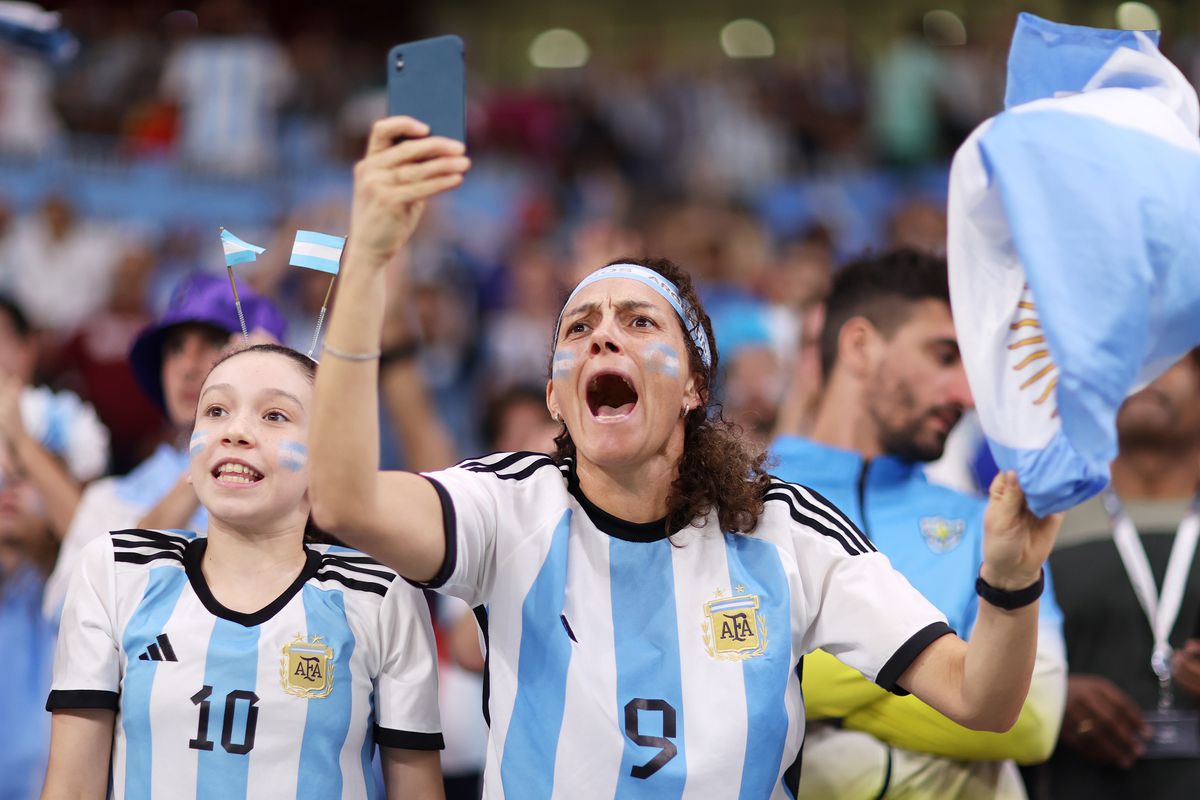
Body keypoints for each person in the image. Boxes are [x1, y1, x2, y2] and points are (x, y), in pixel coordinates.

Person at [308, 116, 1061, 798]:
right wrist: (369, 258)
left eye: (640, 322)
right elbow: (342, 501)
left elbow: (982, 702)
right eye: (578, 329)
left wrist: (1012, 579)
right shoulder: (506, 508)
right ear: (554, 397)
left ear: (696, 384)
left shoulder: (784, 530)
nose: (603, 337)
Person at [43, 343, 445, 799]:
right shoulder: (115, 571)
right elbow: (71, 790)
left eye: (274, 416)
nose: (235, 431)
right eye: (215, 409)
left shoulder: (379, 594)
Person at [769, 249, 1067, 798]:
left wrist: (815, 694)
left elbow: (1034, 717)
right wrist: (947, 675)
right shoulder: (741, 507)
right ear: (859, 345)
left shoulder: (989, 526)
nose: (967, 395)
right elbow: (714, 693)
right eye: (943, 356)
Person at [43, 274, 285, 617]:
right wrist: (212, 452)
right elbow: (69, 611)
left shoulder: (304, 496)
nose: (187, 366)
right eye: (175, 348)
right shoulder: (110, 499)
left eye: (214, 343)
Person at [1036, 350, 1200, 799]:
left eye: (1165, 356)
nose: (1143, 377)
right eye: (1129, 360)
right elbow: (978, 652)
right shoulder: (1036, 519)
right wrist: (1050, 695)